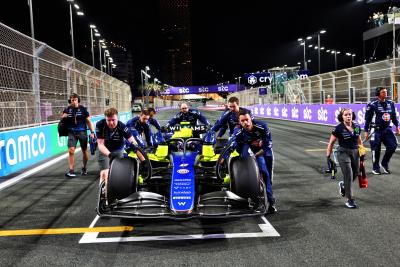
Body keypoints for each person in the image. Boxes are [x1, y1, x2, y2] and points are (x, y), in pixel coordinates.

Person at [228, 109, 276, 214]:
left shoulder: (262, 126)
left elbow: (268, 144)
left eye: (247, 120)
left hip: (264, 150)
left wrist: (257, 155)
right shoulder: (238, 131)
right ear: (239, 122)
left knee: (267, 175)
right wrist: (223, 157)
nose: (245, 122)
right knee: (256, 170)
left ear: (251, 118)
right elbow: (230, 145)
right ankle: (253, 198)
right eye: (242, 121)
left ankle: (271, 201)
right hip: (248, 151)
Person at [96, 107, 144, 184]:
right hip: (104, 150)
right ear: (105, 119)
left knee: (118, 174)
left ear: (117, 118)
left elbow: (134, 144)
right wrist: (109, 154)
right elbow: (100, 144)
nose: (111, 123)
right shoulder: (100, 125)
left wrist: (143, 160)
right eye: (108, 120)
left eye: (113, 120)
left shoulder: (122, 127)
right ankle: (103, 194)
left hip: (118, 149)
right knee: (105, 173)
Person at [327, 108, 362, 209]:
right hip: (343, 153)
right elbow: (331, 143)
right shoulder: (338, 128)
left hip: (355, 152)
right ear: (342, 116)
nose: (348, 116)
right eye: (346, 115)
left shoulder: (356, 127)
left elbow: (359, 140)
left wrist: (362, 150)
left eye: (350, 114)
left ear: (352, 115)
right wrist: (328, 157)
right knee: (349, 175)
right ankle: (350, 200)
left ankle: (343, 185)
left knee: (355, 173)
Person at [364, 86, 400, 174]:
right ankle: (375, 168)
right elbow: (367, 119)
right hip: (375, 130)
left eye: (386, 91)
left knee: (393, 146)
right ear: (378, 94)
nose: (386, 93)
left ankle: (384, 163)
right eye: (383, 92)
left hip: (387, 130)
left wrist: (397, 126)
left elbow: (394, 117)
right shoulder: (372, 104)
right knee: (376, 149)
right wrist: (366, 131)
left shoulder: (391, 103)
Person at [62, 93, 95, 177]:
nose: (74, 101)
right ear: (70, 101)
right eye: (72, 100)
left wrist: (92, 132)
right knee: (71, 150)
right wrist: (63, 117)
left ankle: (84, 168)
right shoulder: (67, 109)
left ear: (78, 100)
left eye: (75, 100)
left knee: (84, 151)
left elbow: (88, 121)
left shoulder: (83, 109)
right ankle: (71, 170)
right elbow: (62, 120)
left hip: (82, 132)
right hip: (71, 132)